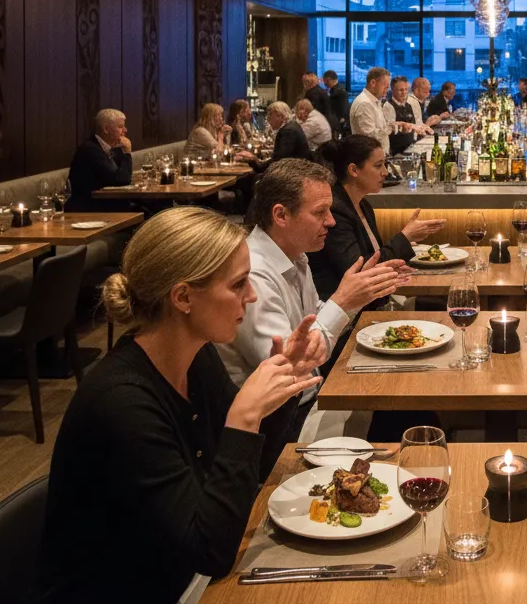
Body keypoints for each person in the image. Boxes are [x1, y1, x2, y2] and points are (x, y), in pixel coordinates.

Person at [34, 206, 326, 604]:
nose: (252, 295)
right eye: (239, 284)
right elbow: (209, 553)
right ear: (183, 297)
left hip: (181, 580)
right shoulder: (121, 403)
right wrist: (244, 418)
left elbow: (249, 470)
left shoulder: (197, 357)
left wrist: (281, 388)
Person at [215, 159, 411, 436]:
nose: (331, 221)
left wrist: (357, 296)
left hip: (310, 399)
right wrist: (343, 301)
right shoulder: (253, 273)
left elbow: (313, 316)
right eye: (320, 212)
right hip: (277, 425)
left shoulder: (294, 253)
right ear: (281, 215)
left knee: (407, 404)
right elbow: (291, 367)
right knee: (403, 420)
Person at [309, 135, 446, 299]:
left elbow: (375, 258)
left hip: (375, 300)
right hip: (349, 309)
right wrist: (405, 237)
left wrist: (394, 264)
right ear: (354, 170)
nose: (385, 172)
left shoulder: (363, 205)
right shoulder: (335, 212)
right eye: (378, 165)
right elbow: (361, 273)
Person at [66, 108, 134, 210]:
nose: (125, 130)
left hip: (108, 203)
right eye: (120, 127)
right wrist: (127, 152)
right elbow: (122, 180)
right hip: (92, 209)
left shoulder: (111, 147)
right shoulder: (90, 150)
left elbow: (122, 175)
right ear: (106, 129)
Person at [349, 66, 402, 153]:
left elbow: (379, 127)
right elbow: (369, 135)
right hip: (369, 156)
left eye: (388, 86)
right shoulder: (364, 103)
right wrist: (392, 128)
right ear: (373, 83)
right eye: (385, 85)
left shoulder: (374, 101)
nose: (387, 89)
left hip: (378, 154)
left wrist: (397, 125)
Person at [384, 75, 428, 155]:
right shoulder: (388, 106)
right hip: (397, 152)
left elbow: (418, 125)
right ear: (393, 90)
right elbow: (389, 131)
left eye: (406, 89)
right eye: (401, 90)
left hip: (412, 147)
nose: (404, 92)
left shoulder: (411, 104)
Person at [322, 70, 350, 135]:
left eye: (326, 81)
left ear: (330, 80)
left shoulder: (339, 92)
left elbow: (343, 108)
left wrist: (341, 119)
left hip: (339, 122)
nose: (324, 83)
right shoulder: (335, 89)